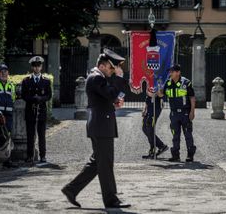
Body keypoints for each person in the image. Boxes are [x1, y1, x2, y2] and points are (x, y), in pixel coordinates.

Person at [61, 49, 131, 209]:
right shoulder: (96, 78)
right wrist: (119, 79)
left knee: (98, 163)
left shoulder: (98, 78)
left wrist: (114, 102)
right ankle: (111, 200)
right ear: (102, 65)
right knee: (104, 164)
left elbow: (107, 97)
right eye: (111, 68)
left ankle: (71, 190)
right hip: (101, 126)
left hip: (101, 125)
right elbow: (111, 93)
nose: (113, 71)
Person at [159, 64, 196, 162]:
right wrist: (156, 88)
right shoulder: (168, 83)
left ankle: (190, 155)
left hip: (185, 113)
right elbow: (162, 93)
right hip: (174, 114)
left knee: (188, 134)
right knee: (175, 135)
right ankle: (175, 155)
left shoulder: (186, 83)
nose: (170, 73)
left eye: (172, 71)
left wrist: (192, 111)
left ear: (178, 72)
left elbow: (192, 98)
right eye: (169, 71)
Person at [21, 56, 52, 164]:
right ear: (32, 67)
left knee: (42, 135)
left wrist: (41, 99)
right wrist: (33, 99)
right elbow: (23, 95)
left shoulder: (46, 81)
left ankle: (43, 156)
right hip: (30, 110)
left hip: (41, 111)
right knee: (30, 135)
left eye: (38, 66)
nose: (37, 68)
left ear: (41, 67)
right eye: (35, 66)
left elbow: (49, 95)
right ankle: (30, 156)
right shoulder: (26, 81)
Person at [0, 64, 17, 168]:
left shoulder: (11, 85)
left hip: (8, 116)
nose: (4, 73)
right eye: (1, 71)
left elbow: (13, 98)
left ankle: (7, 160)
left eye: (5, 71)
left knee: (8, 137)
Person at [141, 92, 168, 159]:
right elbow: (147, 96)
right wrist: (145, 108)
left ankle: (152, 150)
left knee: (149, 127)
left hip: (156, 107)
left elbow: (162, 95)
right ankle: (161, 146)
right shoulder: (149, 82)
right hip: (149, 107)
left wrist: (155, 93)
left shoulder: (158, 82)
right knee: (144, 128)